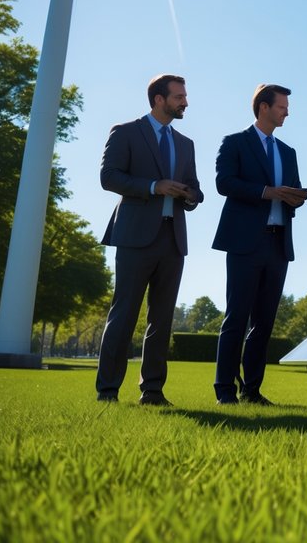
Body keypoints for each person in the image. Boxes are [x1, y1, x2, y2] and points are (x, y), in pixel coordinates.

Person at [95, 74, 203, 405]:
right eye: (179, 96)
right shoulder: (125, 132)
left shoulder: (186, 144)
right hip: (134, 237)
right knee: (124, 314)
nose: (185, 101)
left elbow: (196, 188)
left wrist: (189, 194)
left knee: (162, 319)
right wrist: (155, 187)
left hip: (173, 239)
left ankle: (152, 391)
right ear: (159, 99)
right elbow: (108, 177)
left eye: (184, 96)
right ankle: (108, 391)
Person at [212, 83, 307, 405]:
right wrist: (267, 192)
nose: (287, 112)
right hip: (244, 242)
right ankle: (224, 390)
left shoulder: (288, 152)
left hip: (278, 243)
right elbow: (224, 183)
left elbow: (291, 190)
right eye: (282, 106)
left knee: (264, 322)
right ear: (264, 107)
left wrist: (296, 197)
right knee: (236, 318)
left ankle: (251, 390)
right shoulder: (235, 143)